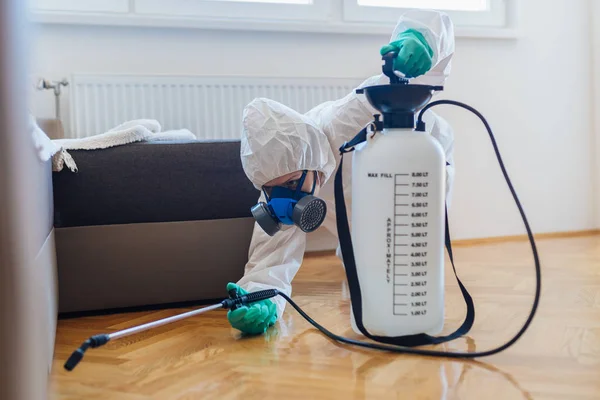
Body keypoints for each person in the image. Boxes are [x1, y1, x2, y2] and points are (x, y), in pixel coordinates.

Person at [227, 9, 456, 335]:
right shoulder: (279, 175)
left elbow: (395, 84)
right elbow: (268, 263)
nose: (285, 201)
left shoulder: (338, 125)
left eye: (292, 183)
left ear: (309, 163)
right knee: (367, 282)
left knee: (417, 250)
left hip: (422, 157)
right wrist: (258, 299)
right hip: (361, 205)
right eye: (273, 189)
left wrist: (421, 38)